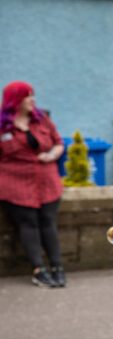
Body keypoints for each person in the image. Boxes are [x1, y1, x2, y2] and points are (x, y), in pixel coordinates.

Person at [0, 81, 66, 288]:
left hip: (47, 180)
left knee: (48, 221)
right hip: (15, 183)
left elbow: (59, 142)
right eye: (28, 96)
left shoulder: (42, 119)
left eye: (33, 96)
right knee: (28, 224)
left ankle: (57, 267)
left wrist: (52, 155)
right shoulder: (3, 126)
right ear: (15, 100)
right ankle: (39, 270)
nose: (32, 100)